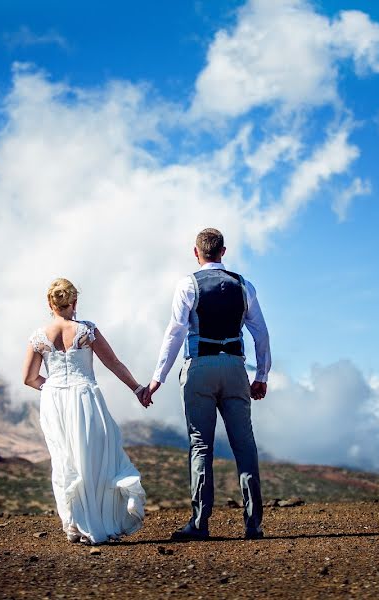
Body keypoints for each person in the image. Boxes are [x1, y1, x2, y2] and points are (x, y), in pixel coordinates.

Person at [147, 228, 271, 540]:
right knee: (244, 444)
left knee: (201, 444)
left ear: (196, 252)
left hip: (199, 368)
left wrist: (158, 377)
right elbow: (261, 333)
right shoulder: (244, 286)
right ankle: (253, 524)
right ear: (223, 251)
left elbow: (175, 333)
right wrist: (262, 376)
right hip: (234, 367)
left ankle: (200, 523)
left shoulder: (187, 285)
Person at [23, 278, 151, 545]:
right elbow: (113, 363)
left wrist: (53, 388)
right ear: (74, 302)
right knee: (95, 460)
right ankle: (101, 522)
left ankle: (73, 526)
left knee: (64, 461)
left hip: (55, 401)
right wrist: (137, 388)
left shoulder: (38, 337)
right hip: (84, 398)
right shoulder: (87, 331)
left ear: (50, 303)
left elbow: (30, 378)